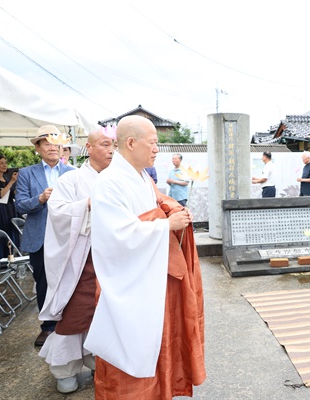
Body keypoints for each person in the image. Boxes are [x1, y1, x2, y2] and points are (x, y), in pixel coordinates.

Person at [84, 115, 206, 399]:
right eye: (153, 143)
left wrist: (173, 211)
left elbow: (158, 206)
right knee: (129, 355)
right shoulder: (109, 182)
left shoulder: (141, 177)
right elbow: (118, 236)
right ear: (130, 142)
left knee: (157, 347)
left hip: (150, 279)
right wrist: (166, 225)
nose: (156, 150)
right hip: (127, 284)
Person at [38, 128, 114, 394]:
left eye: (114, 145)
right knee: (77, 311)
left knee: (106, 314)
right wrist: (88, 205)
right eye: (105, 144)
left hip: (113, 259)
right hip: (83, 258)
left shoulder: (121, 179)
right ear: (89, 148)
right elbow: (57, 210)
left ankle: (99, 362)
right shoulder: (71, 180)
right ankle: (65, 368)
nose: (111, 150)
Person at [16, 125, 75, 346]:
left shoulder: (72, 173)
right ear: (38, 148)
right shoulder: (26, 173)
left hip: (67, 236)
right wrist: (40, 198)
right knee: (43, 282)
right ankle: (48, 327)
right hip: (40, 236)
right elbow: (20, 206)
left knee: (71, 278)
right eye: (47, 143)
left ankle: (70, 323)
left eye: (57, 143)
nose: (53, 147)